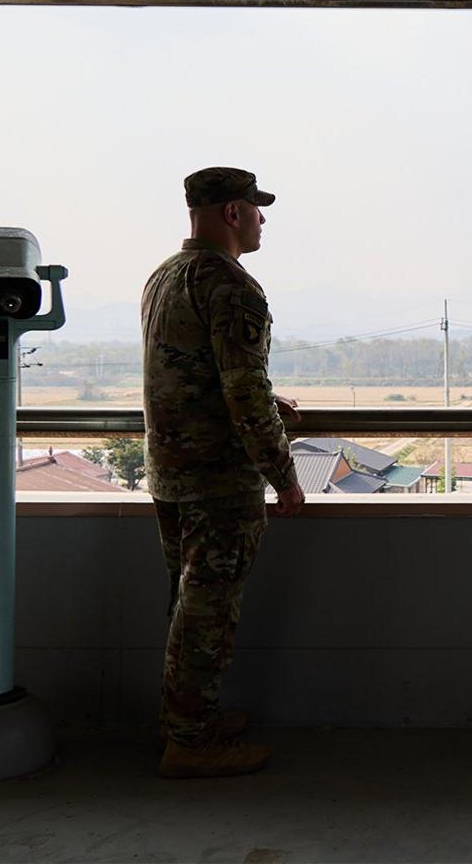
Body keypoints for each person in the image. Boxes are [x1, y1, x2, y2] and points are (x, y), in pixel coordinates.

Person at [141, 166, 305, 779]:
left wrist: (267, 400)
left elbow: (195, 371)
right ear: (231, 213)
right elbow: (243, 389)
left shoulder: (166, 276)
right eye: (256, 208)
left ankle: (185, 718)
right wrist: (283, 474)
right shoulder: (231, 285)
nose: (263, 219)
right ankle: (191, 742)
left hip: (172, 471)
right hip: (217, 480)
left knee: (188, 607)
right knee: (208, 612)